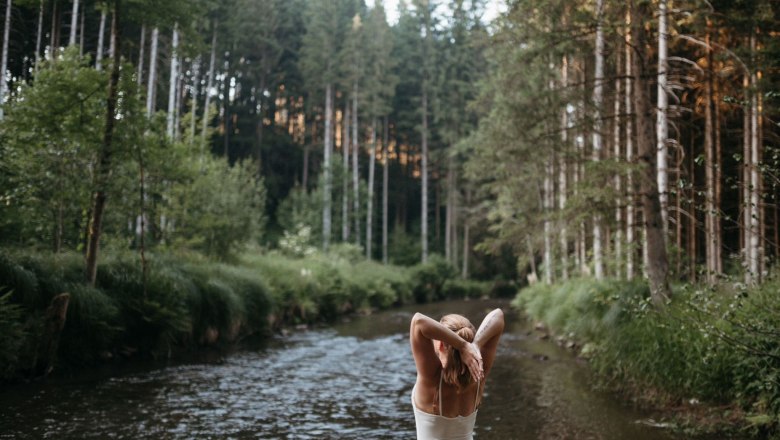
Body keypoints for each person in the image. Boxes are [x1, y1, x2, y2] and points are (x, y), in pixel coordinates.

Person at [409, 308, 505, 440]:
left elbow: (418, 321)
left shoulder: (431, 378)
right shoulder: (479, 373)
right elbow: (498, 315)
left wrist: (463, 346)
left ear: (441, 345)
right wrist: (474, 345)